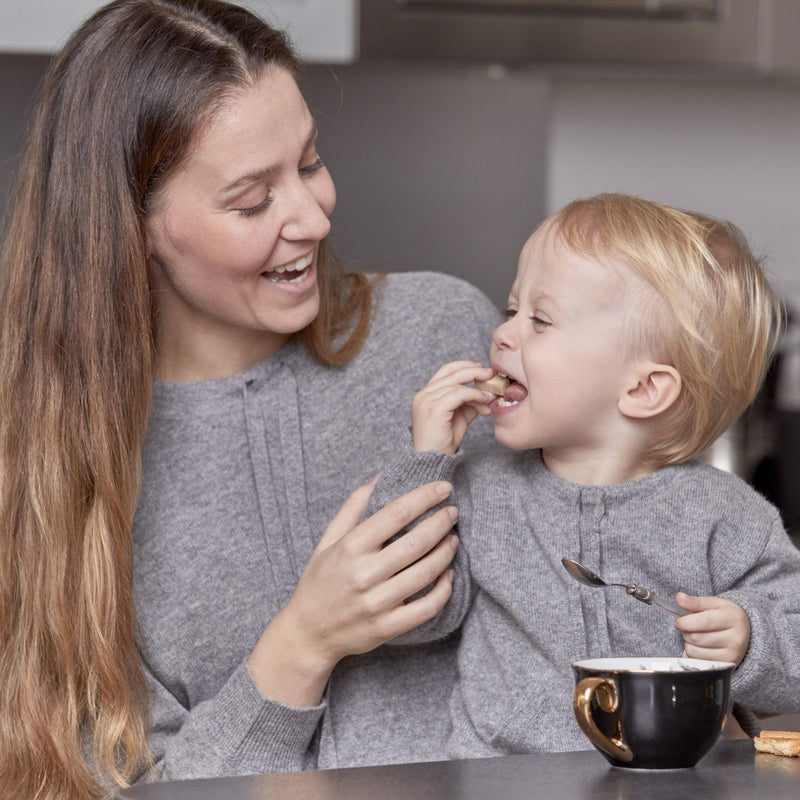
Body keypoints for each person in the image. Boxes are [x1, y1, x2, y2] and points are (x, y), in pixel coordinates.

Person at [0, 1, 502, 798]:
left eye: (308, 163)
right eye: (250, 200)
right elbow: (122, 785)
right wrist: (303, 644)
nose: (311, 215)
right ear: (133, 226)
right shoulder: (62, 469)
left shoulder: (443, 331)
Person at [367, 193, 800, 758]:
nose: (503, 335)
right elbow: (407, 618)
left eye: (540, 320)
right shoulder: (477, 493)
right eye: (510, 311)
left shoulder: (726, 517)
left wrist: (749, 642)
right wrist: (425, 460)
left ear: (644, 389)